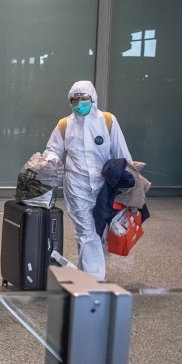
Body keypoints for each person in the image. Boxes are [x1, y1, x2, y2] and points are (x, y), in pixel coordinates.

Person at [44, 80, 131, 279]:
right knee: (86, 232)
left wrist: (129, 185)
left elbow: (122, 154)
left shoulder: (108, 121)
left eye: (84, 99)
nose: (79, 103)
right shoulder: (65, 125)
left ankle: (86, 275)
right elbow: (53, 150)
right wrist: (48, 162)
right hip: (77, 186)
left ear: (93, 99)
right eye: (75, 100)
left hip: (104, 188)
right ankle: (94, 282)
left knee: (98, 233)